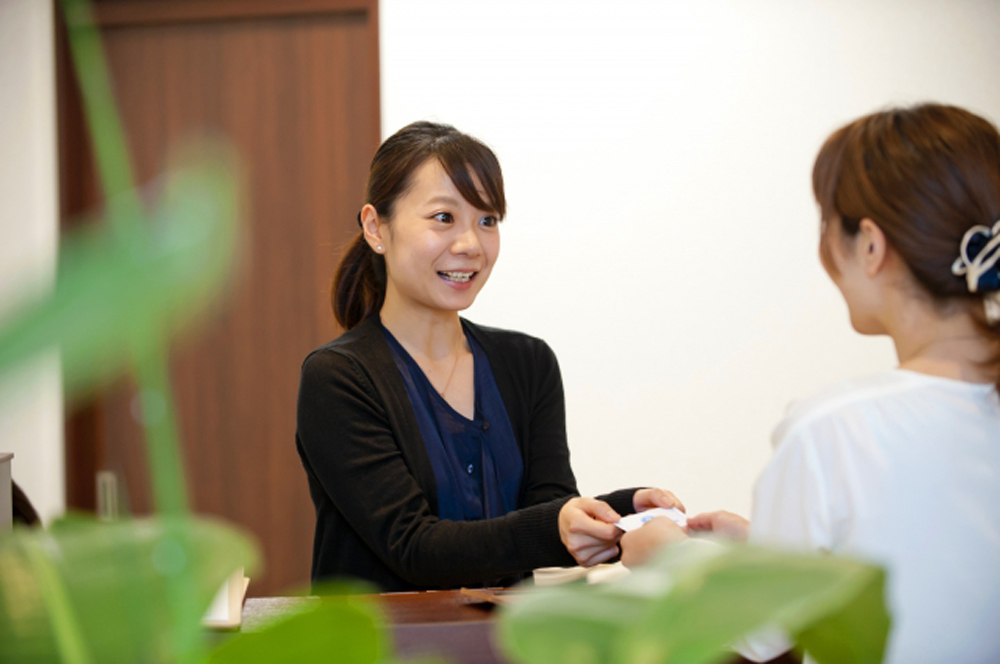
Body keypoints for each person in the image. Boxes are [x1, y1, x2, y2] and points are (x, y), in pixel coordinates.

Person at [618, 103, 1000, 663]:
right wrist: (780, 552)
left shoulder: (836, 428)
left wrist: (668, 555)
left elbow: (760, 635)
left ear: (870, 245)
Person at [296, 121, 681, 591]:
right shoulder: (338, 377)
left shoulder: (528, 362)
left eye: (488, 220)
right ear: (377, 227)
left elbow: (549, 507)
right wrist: (556, 524)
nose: (470, 245)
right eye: (444, 217)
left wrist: (622, 512)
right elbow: (413, 546)